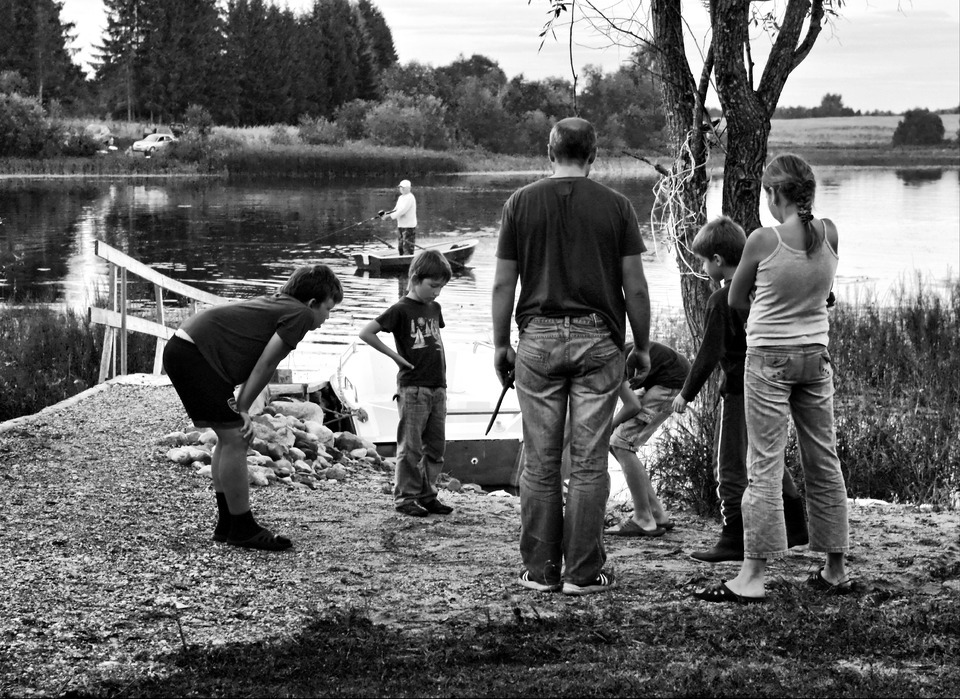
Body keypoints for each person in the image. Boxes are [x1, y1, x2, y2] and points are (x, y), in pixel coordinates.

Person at [491, 117, 652, 596]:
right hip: (598, 340)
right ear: (594, 153)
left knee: (540, 461)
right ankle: (583, 573)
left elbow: (503, 283)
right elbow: (636, 287)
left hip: (537, 338)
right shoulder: (617, 206)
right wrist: (641, 346)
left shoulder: (519, 204)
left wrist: (501, 344)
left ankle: (540, 571)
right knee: (588, 462)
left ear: (549, 150)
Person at [695, 154, 851, 604]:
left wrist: (767, 310)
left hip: (769, 360)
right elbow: (820, 290)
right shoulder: (831, 233)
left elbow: (735, 297)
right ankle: (835, 568)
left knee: (763, 463)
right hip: (815, 358)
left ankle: (752, 576)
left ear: (774, 194)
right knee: (824, 460)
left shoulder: (763, 241)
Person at [162, 265, 343, 551]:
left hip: (186, 350)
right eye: (328, 309)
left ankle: (228, 524)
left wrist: (240, 405)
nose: (326, 318)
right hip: (195, 355)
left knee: (228, 436)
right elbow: (266, 364)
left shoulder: (282, 305)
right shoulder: (301, 315)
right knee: (236, 436)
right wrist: (243, 407)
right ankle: (243, 528)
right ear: (312, 304)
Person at [673, 216, 808, 563]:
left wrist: (686, 393)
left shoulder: (722, 299)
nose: (703, 267)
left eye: (704, 261)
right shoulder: (765, 289)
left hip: (738, 390)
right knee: (767, 457)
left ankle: (733, 535)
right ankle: (796, 527)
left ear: (718, 260)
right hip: (774, 386)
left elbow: (709, 353)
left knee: (730, 467)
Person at [359, 249, 454, 517]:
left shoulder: (435, 308)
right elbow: (367, 332)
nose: (437, 292)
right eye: (433, 286)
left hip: (438, 386)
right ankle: (405, 498)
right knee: (410, 447)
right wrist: (396, 358)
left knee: (435, 447)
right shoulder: (401, 309)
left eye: (441, 287)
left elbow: (435, 341)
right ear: (415, 278)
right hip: (413, 387)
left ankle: (428, 494)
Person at [605, 341, 690, 537]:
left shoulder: (608, 364)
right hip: (660, 379)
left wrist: (609, 427)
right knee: (617, 443)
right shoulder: (602, 359)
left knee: (621, 443)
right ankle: (657, 513)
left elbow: (632, 405)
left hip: (670, 383)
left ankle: (644, 519)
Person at [378, 179, 417, 255]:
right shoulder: (401, 198)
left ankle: (407, 261)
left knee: (407, 247)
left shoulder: (410, 197)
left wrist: (389, 216)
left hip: (409, 227)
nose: (401, 189)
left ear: (408, 188)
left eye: (403, 187)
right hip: (401, 226)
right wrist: (386, 214)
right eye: (400, 187)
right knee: (400, 247)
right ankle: (401, 258)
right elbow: (395, 210)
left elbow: (402, 211)